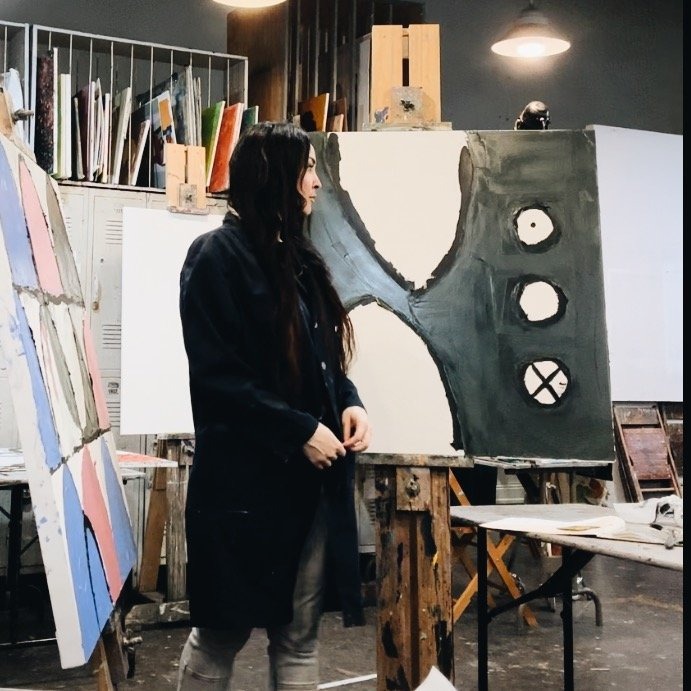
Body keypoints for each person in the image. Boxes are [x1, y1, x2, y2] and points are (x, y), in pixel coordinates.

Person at [176, 122, 372, 690]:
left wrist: (349, 403)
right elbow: (218, 378)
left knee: (299, 638)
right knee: (220, 634)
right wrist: (298, 431)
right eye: (307, 169)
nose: (316, 183)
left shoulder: (298, 258)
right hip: (241, 492)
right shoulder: (216, 256)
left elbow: (323, 364)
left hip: (307, 492)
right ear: (274, 177)